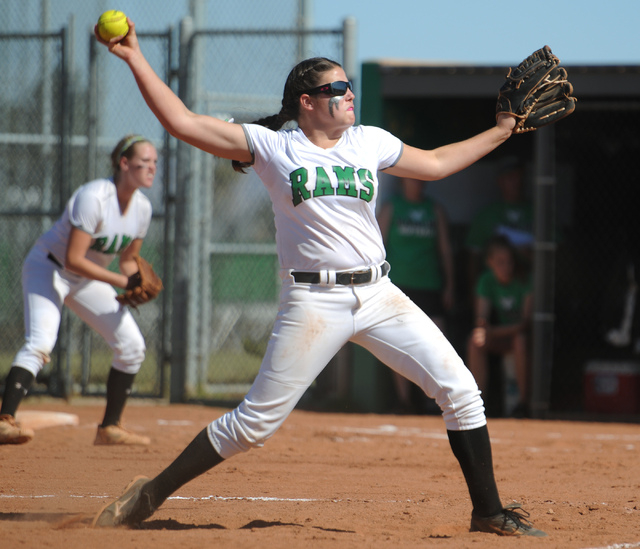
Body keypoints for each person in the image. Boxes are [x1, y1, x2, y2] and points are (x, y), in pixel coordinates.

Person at [91, 19, 546, 537]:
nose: (350, 94)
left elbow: (438, 164)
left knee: (461, 389)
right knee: (253, 425)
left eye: (350, 85)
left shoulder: (369, 142)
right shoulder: (273, 147)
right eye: (338, 88)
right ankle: (149, 494)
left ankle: (488, 513)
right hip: (313, 300)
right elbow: (181, 122)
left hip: (378, 293)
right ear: (306, 101)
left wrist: (504, 128)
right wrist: (133, 57)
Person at [0, 134, 158, 446]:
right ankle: (5, 420)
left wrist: (137, 280)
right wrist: (122, 282)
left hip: (86, 278)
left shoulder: (142, 208)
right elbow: (73, 258)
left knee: (131, 346)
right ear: (124, 163)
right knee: (41, 342)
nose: (152, 168)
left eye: (155, 162)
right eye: (145, 162)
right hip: (50, 268)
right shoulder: (94, 197)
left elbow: (127, 259)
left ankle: (109, 428)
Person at [377, 177, 454, 414]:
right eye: (413, 180)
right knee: (400, 342)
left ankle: (434, 399)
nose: (418, 184)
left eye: (421, 181)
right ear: (403, 182)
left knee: (436, 341)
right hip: (399, 284)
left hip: (429, 284)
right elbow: (376, 244)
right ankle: (405, 401)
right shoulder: (392, 207)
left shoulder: (435, 210)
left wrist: (450, 284)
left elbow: (445, 248)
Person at [467, 235, 533, 418]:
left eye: (509, 262)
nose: (506, 267)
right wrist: (483, 330)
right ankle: (477, 404)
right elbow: (481, 320)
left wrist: (492, 331)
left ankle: (523, 404)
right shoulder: (486, 281)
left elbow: (524, 325)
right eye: (500, 262)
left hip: (521, 339)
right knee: (475, 341)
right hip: (499, 337)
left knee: (519, 341)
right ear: (489, 262)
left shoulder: (525, 280)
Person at [465, 157, 533, 294]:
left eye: (519, 176)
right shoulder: (486, 215)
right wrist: (473, 293)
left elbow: (558, 254)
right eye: (510, 177)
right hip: (495, 292)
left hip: (529, 286)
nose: (516, 181)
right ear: (499, 181)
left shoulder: (539, 212)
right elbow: (473, 259)